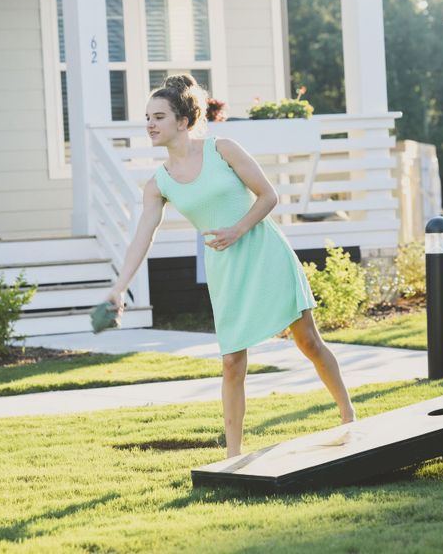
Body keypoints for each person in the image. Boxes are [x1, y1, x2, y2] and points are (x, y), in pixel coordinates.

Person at [105, 75, 356, 458]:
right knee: (232, 361)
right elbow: (143, 235)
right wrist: (120, 286)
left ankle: (348, 415)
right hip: (226, 269)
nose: (150, 125)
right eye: (147, 118)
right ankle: (233, 456)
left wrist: (238, 229)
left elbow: (268, 195)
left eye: (159, 116)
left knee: (307, 340)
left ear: (184, 122)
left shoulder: (223, 149)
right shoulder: (159, 184)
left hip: (264, 252)